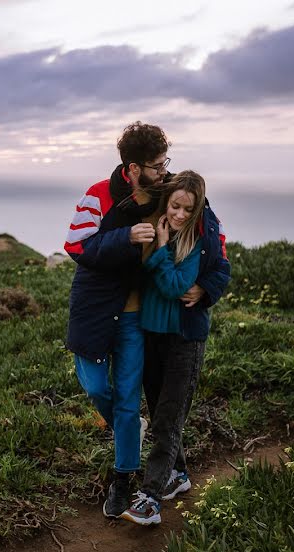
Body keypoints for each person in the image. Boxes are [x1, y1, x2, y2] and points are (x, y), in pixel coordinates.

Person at [64, 122, 170, 518]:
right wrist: (125, 238)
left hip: (137, 318)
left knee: (127, 400)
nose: (164, 172)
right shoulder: (98, 195)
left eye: (165, 162)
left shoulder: (170, 192)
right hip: (94, 310)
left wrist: (209, 280)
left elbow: (210, 228)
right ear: (132, 168)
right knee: (94, 388)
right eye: (157, 166)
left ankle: (122, 477)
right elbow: (77, 246)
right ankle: (132, 431)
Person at [120, 171, 231, 526]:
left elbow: (174, 286)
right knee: (161, 415)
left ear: (198, 209)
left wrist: (164, 252)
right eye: (175, 205)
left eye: (189, 208)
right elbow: (147, 272)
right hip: (152, 335)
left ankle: (150, 498)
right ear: (167, 201)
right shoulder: (158, 227)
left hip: (185, 339)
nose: (181, 213)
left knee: (168, 418)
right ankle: (179, 475)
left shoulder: (198, 240)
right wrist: (161, 250)